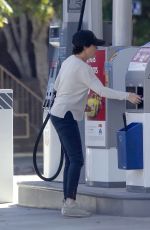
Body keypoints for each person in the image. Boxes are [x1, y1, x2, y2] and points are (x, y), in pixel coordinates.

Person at [50, 30, 142, 217]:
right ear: (85, 46)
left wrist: (77, 101)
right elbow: (101, 90)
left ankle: (68, 202)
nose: (96, 49)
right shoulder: (83, 67)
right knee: (76, 159)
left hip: (59, 114)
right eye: (94, 45)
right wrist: (128, 95)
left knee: (71, 159)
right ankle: (69, 204)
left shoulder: (69, 62)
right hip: (65, 115)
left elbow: (58, 86)